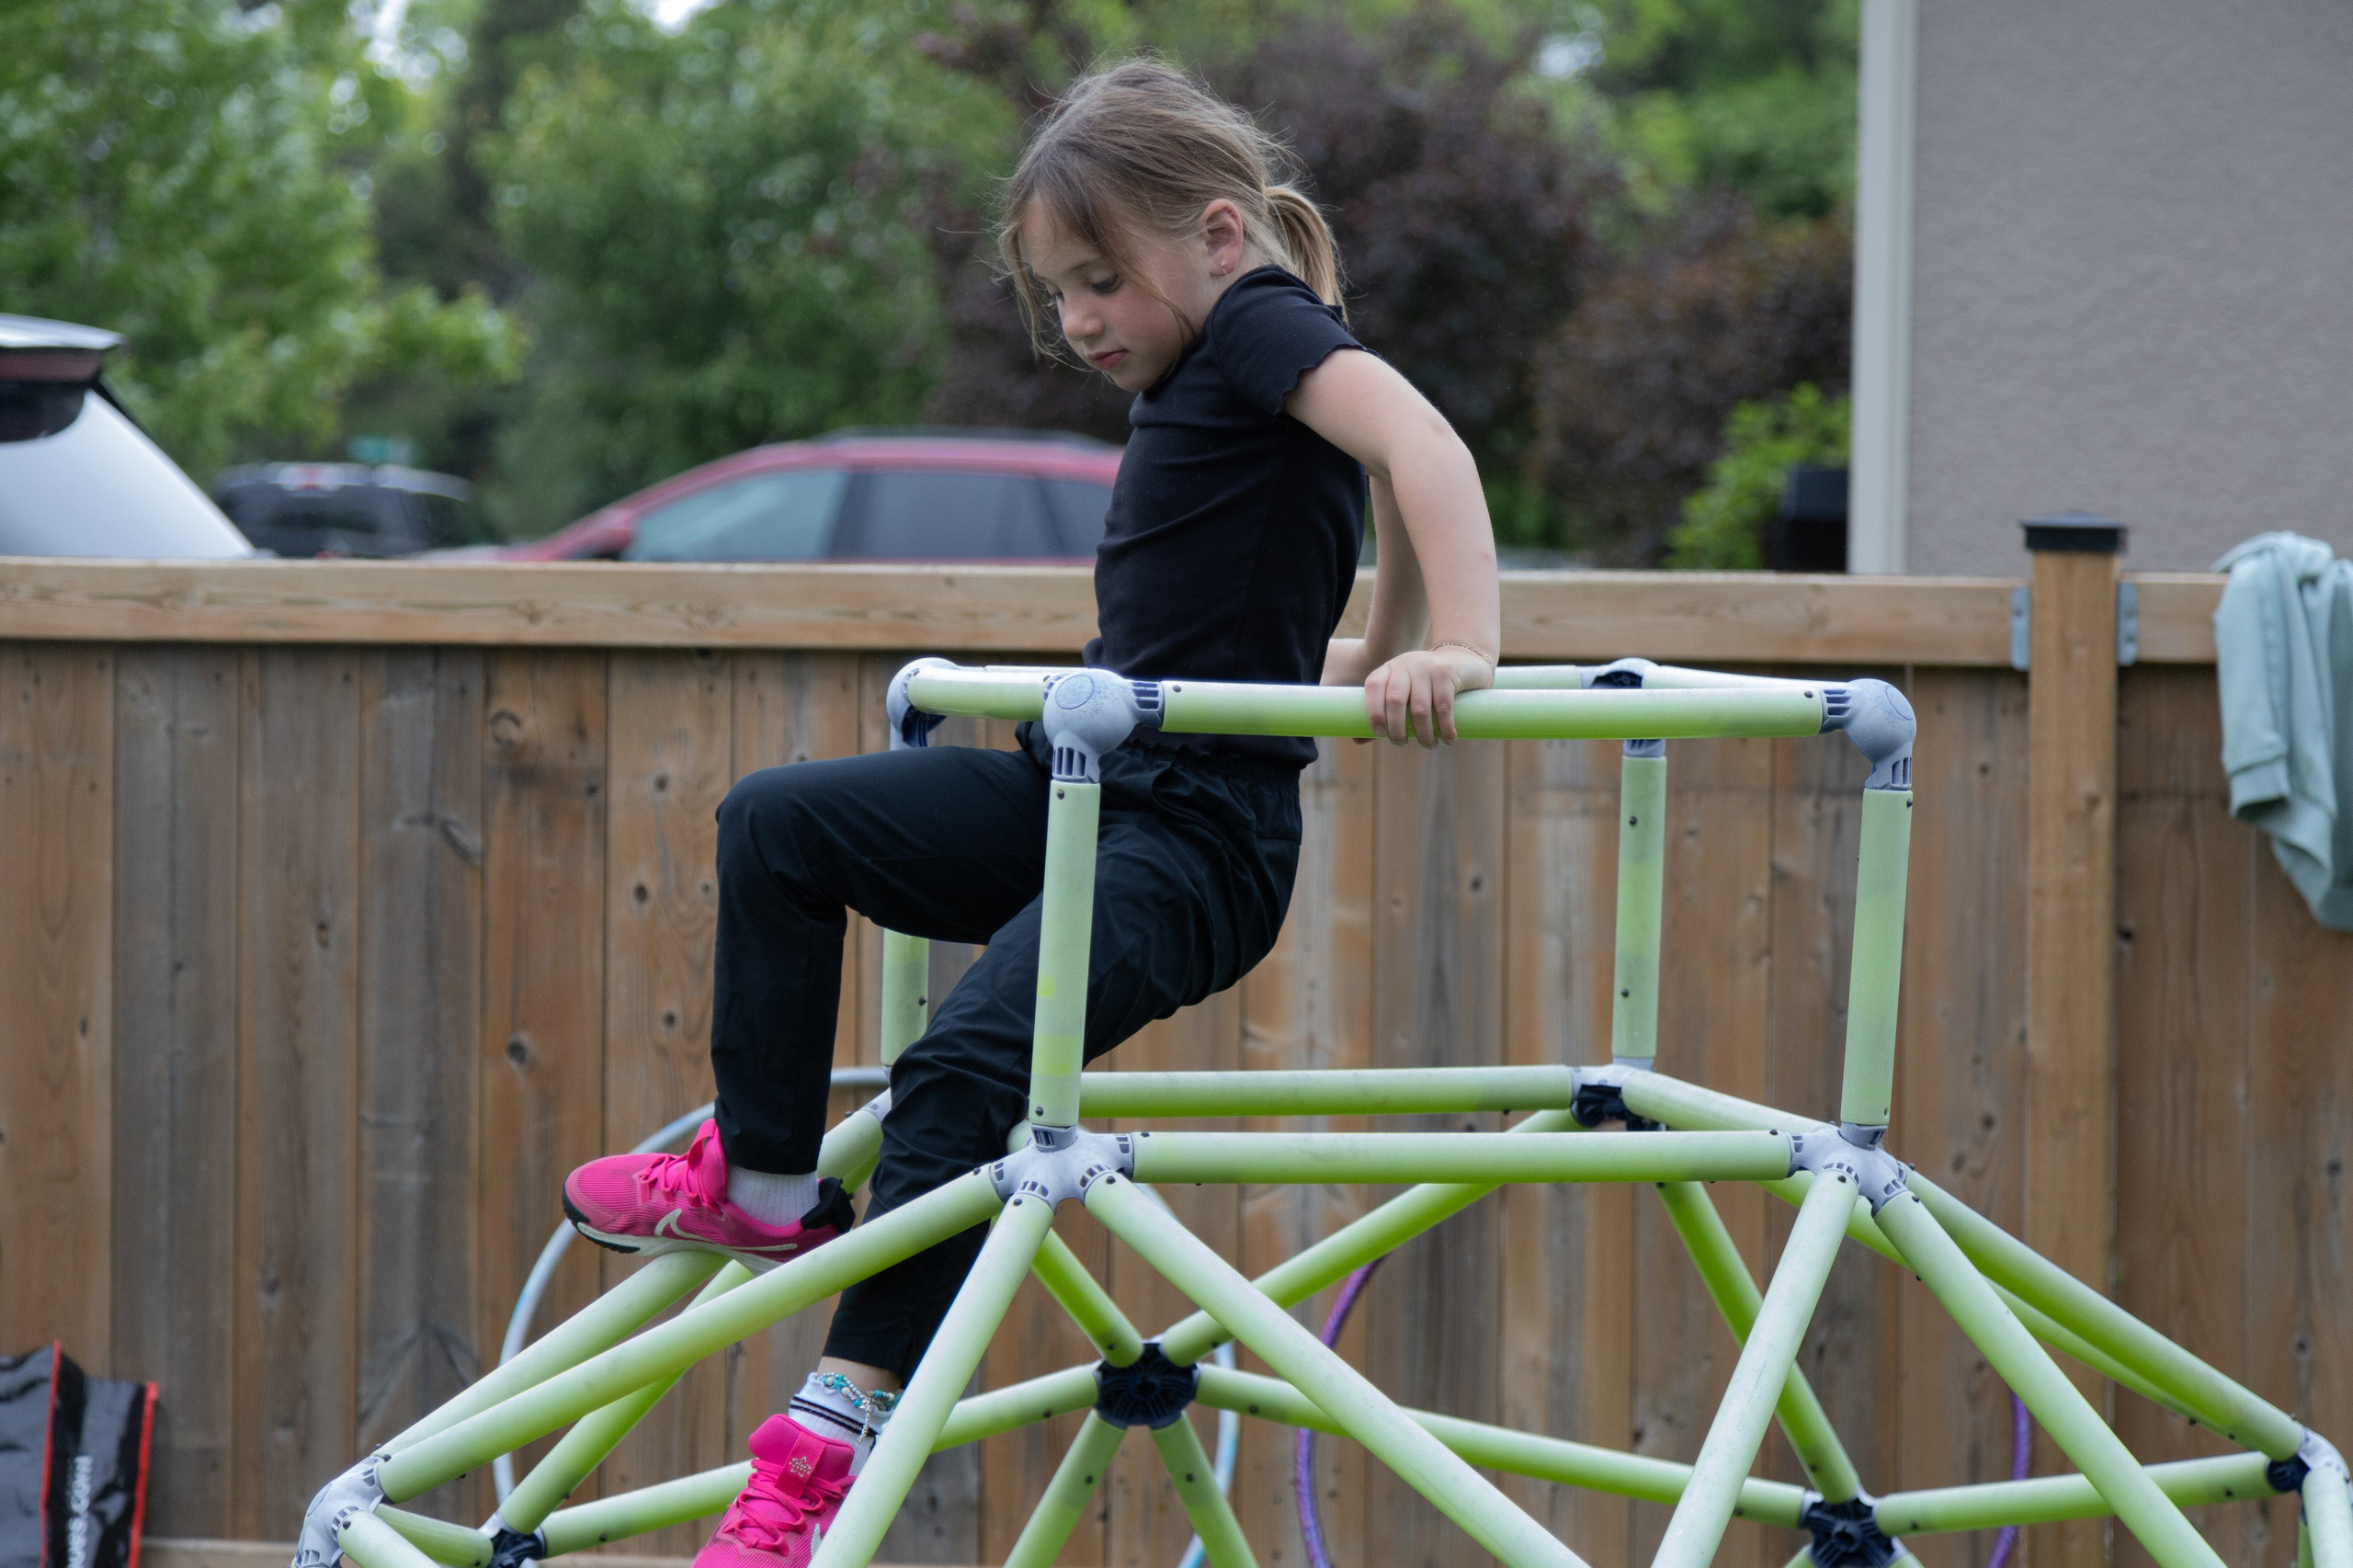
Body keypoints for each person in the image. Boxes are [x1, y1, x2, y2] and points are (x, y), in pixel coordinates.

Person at [557, 58, 1503, 1567]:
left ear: (1212, 232)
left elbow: (1425, 447)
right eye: (1056, 295)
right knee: (779, 822)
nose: (1077, 324)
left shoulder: (1259, 319)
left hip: (1194, 841)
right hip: (1092, 786)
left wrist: (1463, 642)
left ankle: (819, 1453)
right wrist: (1380, 653)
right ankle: (764, 1177)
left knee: (964, 1069)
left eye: (1097, 281)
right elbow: (1337, 512)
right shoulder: (1223, 361)